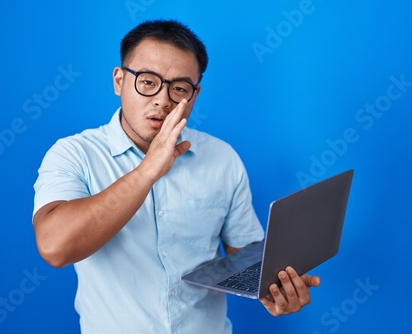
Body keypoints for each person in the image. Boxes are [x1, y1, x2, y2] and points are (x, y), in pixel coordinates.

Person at [32, 19, 320, 334]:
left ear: (194, 95)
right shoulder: (74, 154)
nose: (163, 100)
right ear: (118, 81)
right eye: (147, 81)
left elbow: (248, 259)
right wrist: (148, 170)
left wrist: (277, 290)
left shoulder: (222, 158)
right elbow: (55, 247)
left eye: (179, 88)